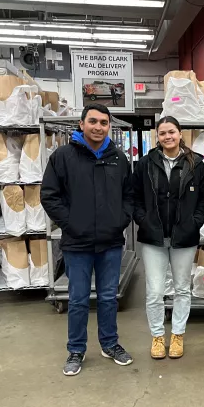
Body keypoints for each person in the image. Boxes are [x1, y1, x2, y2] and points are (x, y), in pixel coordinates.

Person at [41, 103, 134, 376]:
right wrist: (71, 224)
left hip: (110, 242)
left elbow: (129, 195)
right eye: (93, 121)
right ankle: (76, 349)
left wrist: (120, 219)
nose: (98, 127)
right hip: (77, 244)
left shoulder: (119, 159)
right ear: (81, 124)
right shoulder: (63, 157)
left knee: (108, 297)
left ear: (109, 126)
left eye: (104, 122)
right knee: (79, 299)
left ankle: (109, 343)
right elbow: (49, 195)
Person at [131, 116, 204, 359]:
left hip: (184, 238)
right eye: (163, 132)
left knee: (182, 289)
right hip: (153, 237)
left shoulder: (195, 163)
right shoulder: (145, 163)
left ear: (180, 133)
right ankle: (157, 336)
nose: (167, 136)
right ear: (158, 136)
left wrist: (194, 223)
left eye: (172, 132)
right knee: (154, 291)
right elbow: (135, 198)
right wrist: (143, 219)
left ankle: (177, 335)